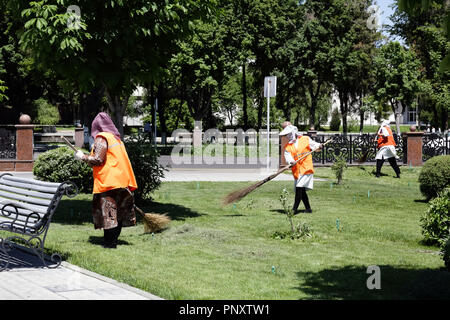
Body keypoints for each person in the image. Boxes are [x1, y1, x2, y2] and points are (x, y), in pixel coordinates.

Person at [74, 112, 138, 248]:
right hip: (121, 181)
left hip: (108, 182)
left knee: (109, 213)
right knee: (118, 213)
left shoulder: (102, 138)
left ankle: (109, 243)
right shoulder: (117, 139)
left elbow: (97, 159)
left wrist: (82, 157)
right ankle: (113, 240)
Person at [280, 125, 322, 214]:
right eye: (286, 135)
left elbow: (315, 145)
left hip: (306, 168)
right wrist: (291, 162)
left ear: (294, 132)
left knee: (299, 187)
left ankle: (294, 210)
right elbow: (288, 157)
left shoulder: (305, 139)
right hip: (297, 170)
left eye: (289, 134)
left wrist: (319, 146)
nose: (288, 136)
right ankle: (308, 209)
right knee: (301, 190)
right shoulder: (288, 147)